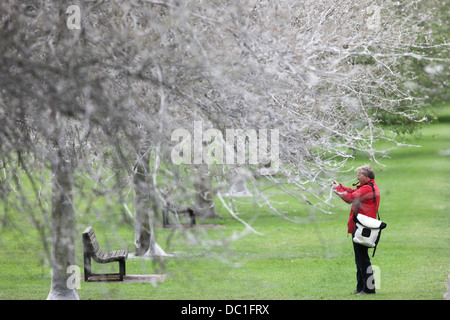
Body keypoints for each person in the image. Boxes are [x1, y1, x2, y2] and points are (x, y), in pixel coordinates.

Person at [331, 165, 380, 295]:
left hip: (362, 228)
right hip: (362, 227)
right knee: (360, 258)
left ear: (366, 176)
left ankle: (369, 289)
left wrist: (337, 190)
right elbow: (353, 192)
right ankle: (361, 287)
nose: (357, 177)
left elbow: (350, 198)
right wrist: (340, 186)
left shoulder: (367, 189)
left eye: (359, 175)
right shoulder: (368, 187)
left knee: (363, 259)